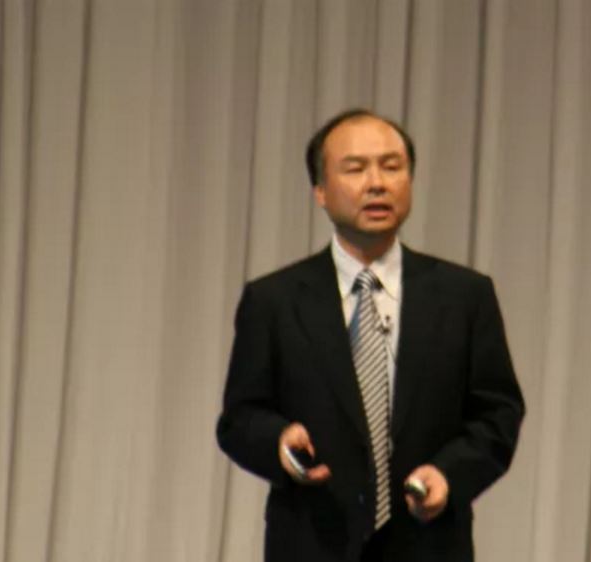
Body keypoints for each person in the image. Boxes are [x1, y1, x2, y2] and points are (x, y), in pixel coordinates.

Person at [216, 109, 525, 562]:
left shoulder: (464, 296)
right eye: (356, 169)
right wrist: (279, 443)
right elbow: (240, 418)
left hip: (428, 547)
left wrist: (449, 475)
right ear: (320, 191)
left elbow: (497, 414)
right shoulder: (274, 301)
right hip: (312, 546)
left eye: (392, 167)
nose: (377, 183)